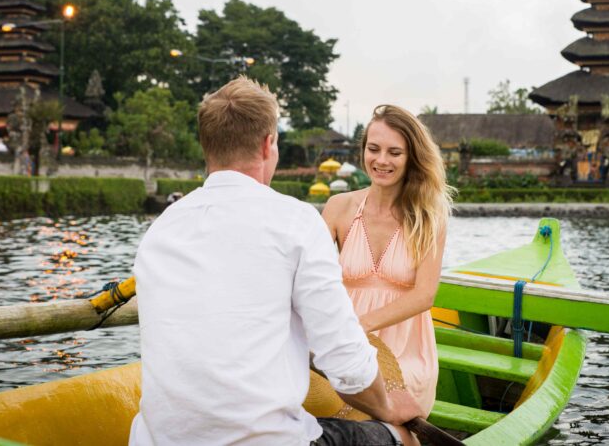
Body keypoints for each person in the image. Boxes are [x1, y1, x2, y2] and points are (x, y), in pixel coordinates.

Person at [129, 77, 421, 446]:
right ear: (269, 145)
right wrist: (387, 408)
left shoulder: (161, 229)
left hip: (158, 439)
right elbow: (347, 364)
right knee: (402, 436)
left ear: (207, 146)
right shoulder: (295, 221)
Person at [322, 105, 452, 417]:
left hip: (404, 350)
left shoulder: (428, 215)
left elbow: (425, 295)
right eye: (374, 149)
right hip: (343, 342)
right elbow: (311, 279)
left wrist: (360, 326)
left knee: (387, 402)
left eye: (394, 152)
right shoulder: (338, 207)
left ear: (411, 158)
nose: (381, 160)